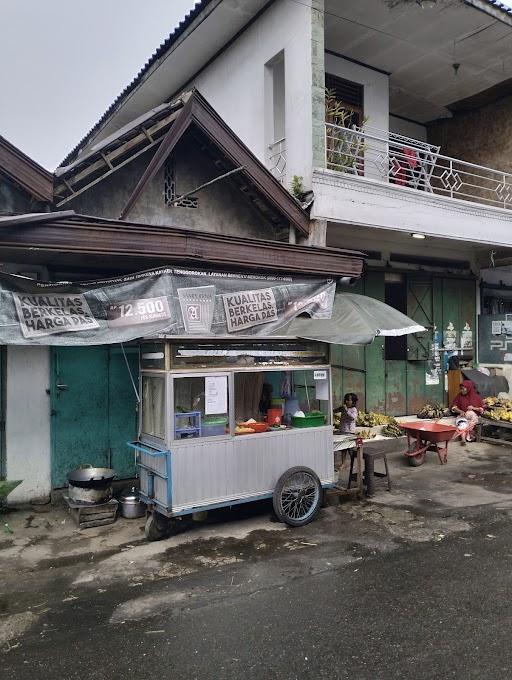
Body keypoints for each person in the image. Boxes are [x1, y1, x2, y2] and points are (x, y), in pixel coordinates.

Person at [451, 380, 484, 444]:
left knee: (469, 417)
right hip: (463, 416)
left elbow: (482, 410)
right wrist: (460, 411)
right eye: (460, 389)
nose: (461, 391)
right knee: (462, 423)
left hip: (473, 418)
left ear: (468, 388)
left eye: (463, 389)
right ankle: (463, 439)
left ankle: (467, 437)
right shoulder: (459, 396)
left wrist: (473, 408)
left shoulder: (476, 397)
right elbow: (453, 407)